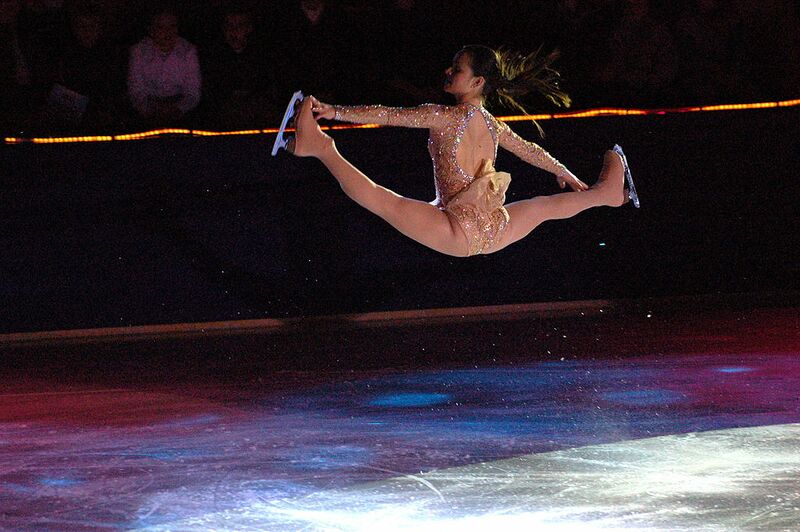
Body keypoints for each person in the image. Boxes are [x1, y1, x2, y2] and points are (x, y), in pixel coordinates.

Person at [280, 45, 636, 258]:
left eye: (458, 69)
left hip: (456, 230)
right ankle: (605, 194)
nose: (448, 71)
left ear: (477, 81)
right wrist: (562, 171)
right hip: (496, 229)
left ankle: (320, 146)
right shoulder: (493, 124)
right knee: (544, 207)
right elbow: (529, 150)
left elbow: (389, 115)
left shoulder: (444, 117)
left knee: (383, 201)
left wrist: (333, 110)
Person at [127, 6, 201, 126]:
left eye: (172, 26)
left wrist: (178, 109)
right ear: (151, 30)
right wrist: (151, 110)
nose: (168, 32)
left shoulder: (188, 50)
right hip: (149, 108)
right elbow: (136, 91)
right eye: (161, 27)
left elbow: (193, 92)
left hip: (180, 108)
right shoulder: (138, 51)